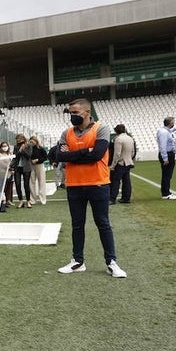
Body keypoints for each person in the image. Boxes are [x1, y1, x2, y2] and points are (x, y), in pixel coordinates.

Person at [52, 98, 127, 278]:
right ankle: (78, 261)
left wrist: (73, 155)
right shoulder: (66, 132)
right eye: (70, 113)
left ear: (87, 112)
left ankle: (111, 262)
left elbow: (98, 155)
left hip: (98, 183)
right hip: (75, 185)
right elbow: (60, 156)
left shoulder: (101, 128)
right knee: (77, 225)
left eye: (76, 112)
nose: (72, 116)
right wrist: (85, 151)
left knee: (103, 223)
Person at [108, 123, 135, 204]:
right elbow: (133, 152)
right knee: (126, 181)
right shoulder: (130, 138)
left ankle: (112, 199)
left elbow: (117, 154)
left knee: (115, 181)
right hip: (128, 162)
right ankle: (126, 198)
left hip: (120, 163)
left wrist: (113, 165)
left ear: (116, 131)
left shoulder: (118, 139)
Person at [157, 116, 176, 199]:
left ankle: (166, 192)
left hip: (168, 154)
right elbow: (163, 146)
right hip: (167, 154)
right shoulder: (164, 133)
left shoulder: (165, 130)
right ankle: (166, 194)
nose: (174, 124)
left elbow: (174, 129)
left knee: (167, 175)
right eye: (173, 122)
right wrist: (165, 158)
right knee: (167, 175)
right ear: (170, 123)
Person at [11, 134, 33, 207]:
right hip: (17, 167)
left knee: (26, 184)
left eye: (20, 139)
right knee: (17, 184)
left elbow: (29, 156)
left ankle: (28, 201)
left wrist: (23, 150)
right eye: (17, 139)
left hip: (26, 167)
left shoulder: (29, 146)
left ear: (23, 139)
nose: (18, 140)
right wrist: (19, 151)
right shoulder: (16, 147)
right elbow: (15, 156)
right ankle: (21, 201)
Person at [28, 136, 48, 206]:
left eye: (32, 142)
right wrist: (31, 160)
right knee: (31, 182)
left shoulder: (41, 148)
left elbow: (45, 157)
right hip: (31, 166)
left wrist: (37, 160)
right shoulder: (29, 148)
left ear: (36, 141)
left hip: (39, 166)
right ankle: (33, 199)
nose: (31, 143)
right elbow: (27, 156)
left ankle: (43, 199)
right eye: (30, 142)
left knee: (41, 181)